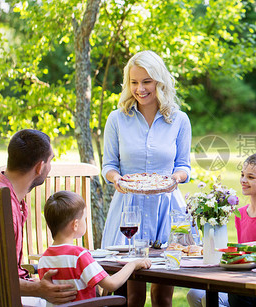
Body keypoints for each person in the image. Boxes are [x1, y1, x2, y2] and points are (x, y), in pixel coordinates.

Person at [101, 50, 192, 306]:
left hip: (168, 209)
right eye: (134, 82)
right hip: (129, 212)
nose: (140, 89)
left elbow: (184, 166)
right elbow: (109, 165)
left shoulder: (179, 120)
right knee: (132, 294)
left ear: (159, 82)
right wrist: (116, 179)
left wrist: (175, 178)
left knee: (163, 294)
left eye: (146, 81)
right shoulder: (117, 119)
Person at [0, 129, 77, 305]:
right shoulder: (3, 205)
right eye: (50, 161)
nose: (50, 167)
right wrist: (38, 289)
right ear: (40, 167)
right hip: (8, 298)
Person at [187, 153, 256, 307]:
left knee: (210, 299)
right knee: (195, 294)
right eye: (242, 175)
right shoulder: (241, 213)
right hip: (238, 278)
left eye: (251, 177)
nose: (243, 180)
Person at [38, 191, 151, 306]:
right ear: (75, 224)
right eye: (84, 218)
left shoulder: (44, 258)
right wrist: (132, 264)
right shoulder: (79, 255)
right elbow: (111, 284)